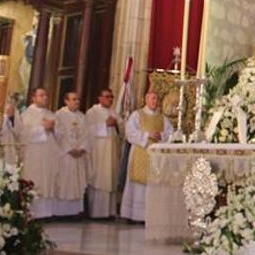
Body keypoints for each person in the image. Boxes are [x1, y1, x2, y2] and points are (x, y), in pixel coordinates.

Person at [121, 91, 173, 222]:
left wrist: (162, 136)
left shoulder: (163, 118)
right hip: (140, 152)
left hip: (156, 157)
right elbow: (129, 132)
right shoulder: (137, 115)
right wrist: (147, 135)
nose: (155, 101)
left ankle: (150, 215)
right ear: (146, 100)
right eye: (152, 98)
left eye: (156, 99)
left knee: (153, 183)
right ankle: (135, 215)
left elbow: (171, 134)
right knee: (138, 185)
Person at [20, 87, 59, 218]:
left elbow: (61, 134)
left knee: (47, 180)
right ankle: (32, 213)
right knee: (34, 181)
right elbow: (23, 134)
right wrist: (43, 128)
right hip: (33, 155)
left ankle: (46, 213)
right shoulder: (26, 114)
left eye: (46, 95)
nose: (45, 98)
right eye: (41, 95)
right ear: (33, 97)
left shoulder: (51, 114)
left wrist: (54, 129)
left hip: (48, 154)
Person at [85, 88, 122, 218]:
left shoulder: (114, 112)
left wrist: (116, 125)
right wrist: (104, 124)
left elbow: (122, 130)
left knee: (110, 179)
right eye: (107, 96)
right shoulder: (92, 112)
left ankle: (110, 212)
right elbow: (87, 131)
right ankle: (96, 213)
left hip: (111, 152)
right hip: (99, 152)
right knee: (100, 179)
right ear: (99, 98)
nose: (110, 99)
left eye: (112, 97)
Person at [54, 92, 88, 216]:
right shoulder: (58, 115)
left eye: (78, 99)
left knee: (76, 182)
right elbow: (58, 135)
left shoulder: (82, 117)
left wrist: (82, 148)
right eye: (73, 99)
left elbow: (87, 135)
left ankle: (74, 212)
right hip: (65, 155)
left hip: (78, 155)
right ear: (66, 101)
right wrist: (69, 149)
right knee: (64, 182)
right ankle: (60, 212)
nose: (77, 102)